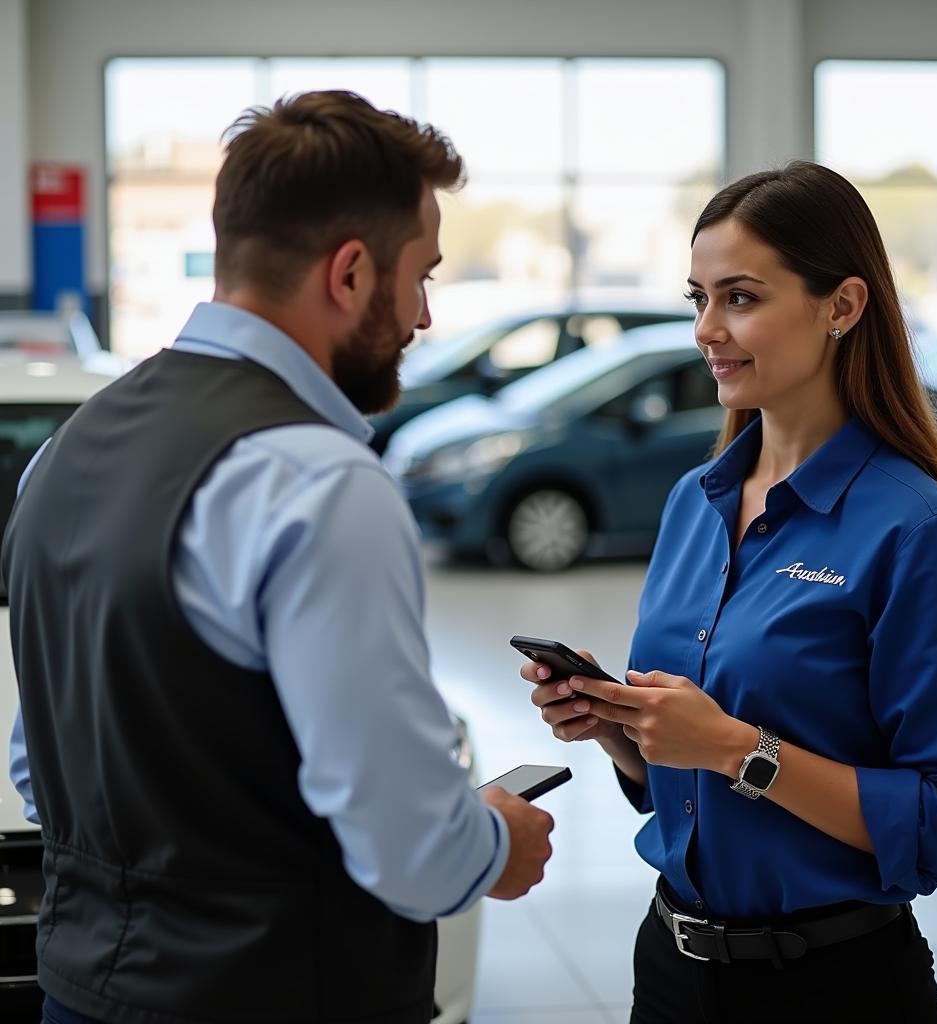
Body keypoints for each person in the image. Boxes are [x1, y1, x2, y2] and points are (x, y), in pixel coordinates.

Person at [3, 90, 554, 1024]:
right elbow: (408, 847)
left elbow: (38, 763)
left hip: (82, 993)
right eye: (420, 275)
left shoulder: (65, 453)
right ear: (348, 274)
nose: (423, 316)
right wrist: (495, 844)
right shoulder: (318, 484)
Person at [520, 161, 937, 1024]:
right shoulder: (693, 503)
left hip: (831, 988)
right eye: (697, 298)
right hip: (671, 970)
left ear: (843, 307)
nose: (707, 329)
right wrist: (623, 731)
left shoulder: (916, 534)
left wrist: (739, 748)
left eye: (740, 297)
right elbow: (687, 777)